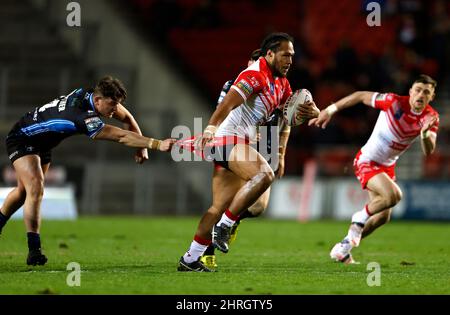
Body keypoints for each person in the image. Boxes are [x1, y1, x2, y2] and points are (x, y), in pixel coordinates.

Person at [177, 32, 319, 272]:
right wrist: (211, 128)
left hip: (240, 143)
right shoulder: (255, 74)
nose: (290, 60)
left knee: (220, 206)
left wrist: (313, 112)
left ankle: (191, 258)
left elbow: (288, 117)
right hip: (226, 140)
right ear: (270, 54)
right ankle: (225, 226)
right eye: (286, 55)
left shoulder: (282, 84)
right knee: (264, 175)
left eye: (292, 56)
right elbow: (227, 103)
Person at [0, 76, 175, 266]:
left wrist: (141, 148)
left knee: (23, 192)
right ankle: (34, 250)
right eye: (112, 104)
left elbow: (128, 119)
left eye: (117, 104)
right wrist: (156, 144)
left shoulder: (92, 96)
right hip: (23, 137)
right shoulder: (80, 115)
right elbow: (122, 136)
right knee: (35, 187)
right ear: (98, 100)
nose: (114, 109)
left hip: (44, 142)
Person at [309, 74, 439, 263]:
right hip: (367, 161)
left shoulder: (431, 117)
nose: (421, 95)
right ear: (411, 92)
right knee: (394, 196)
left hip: (387, 167)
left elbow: (429, 150)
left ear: (432, 97)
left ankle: (343, 247)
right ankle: (359, 217)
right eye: (418, 90)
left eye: (426, 92)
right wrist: (330, 110)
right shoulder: (393, 102)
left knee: (383, 217)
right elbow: (360, 95)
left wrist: (425, 134)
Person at [200, 49, 292, 270]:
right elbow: (225, 111)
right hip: (233, 141)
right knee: (222, 203)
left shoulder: (278, 85)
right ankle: (205, 250)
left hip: (263, 145)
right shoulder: (236, 84)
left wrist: (280, 153)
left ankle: (231, 222)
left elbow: (286, 120)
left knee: (259, 206)